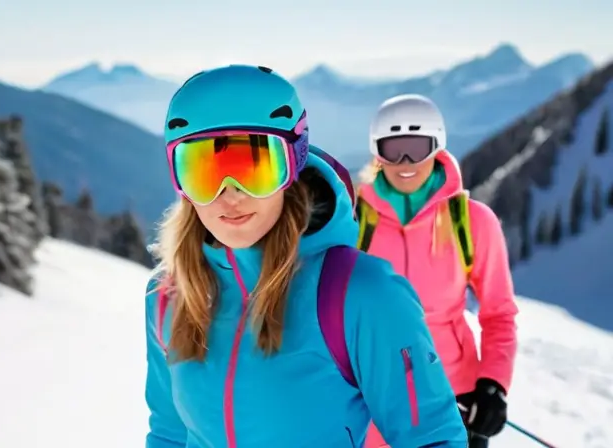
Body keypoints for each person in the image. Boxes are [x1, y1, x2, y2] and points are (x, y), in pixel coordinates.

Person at [144, 65, 467, 448]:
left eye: (255, 168)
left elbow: (432, 440)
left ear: (293, 163)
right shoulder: (168, 297)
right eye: (202, 171)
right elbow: (168, 434)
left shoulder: (359, 294)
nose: (229, 195)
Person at [355, 94, 519, 448]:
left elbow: (499, 313)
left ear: (437, 147)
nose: (405, 161)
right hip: (373, 403)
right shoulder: (354, 221)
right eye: (393, 148)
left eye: (416, 147)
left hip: (453, 402)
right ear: (377, 152)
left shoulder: (471, 222)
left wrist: (493, 384)